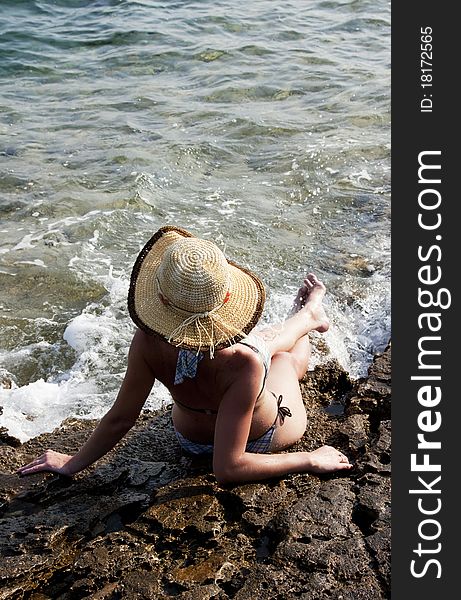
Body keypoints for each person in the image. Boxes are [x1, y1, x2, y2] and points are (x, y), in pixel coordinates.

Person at [17, 225, 352, 484]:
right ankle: (309, 317)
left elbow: (120, 418)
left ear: (161, 300)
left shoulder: (147, 341)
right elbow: (228, 467)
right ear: (225, 300)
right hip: (264, 436)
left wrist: (72, 463)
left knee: (264, 342)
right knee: (282, 360)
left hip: (189, 440)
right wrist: (311, 458)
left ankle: (307, 316)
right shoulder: (243, 362)